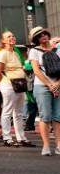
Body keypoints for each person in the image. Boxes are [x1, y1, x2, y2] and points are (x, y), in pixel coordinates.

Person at [0, 30, 32, 147]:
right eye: (8, 36)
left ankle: (21, 138)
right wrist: (1, 82)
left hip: (19, 84)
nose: (12, 38)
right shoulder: (2, 54)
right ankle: (7, 137)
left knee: (19, 113)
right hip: (8, 84)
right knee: (7, 111)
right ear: (3, 41)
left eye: (13, 35)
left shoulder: (15, 53)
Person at [27, 26, 60, 156]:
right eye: (40, 36)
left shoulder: (57, 49)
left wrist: (57, 84)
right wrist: (50, 85)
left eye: (45, 34)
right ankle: (46, 145)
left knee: (58, 117)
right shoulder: (34, 51)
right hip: (42, 86)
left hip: (58, 85)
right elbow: (36, 70)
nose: (44, 37)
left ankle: (58, 145)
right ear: (36, 39)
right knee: (45, 116)